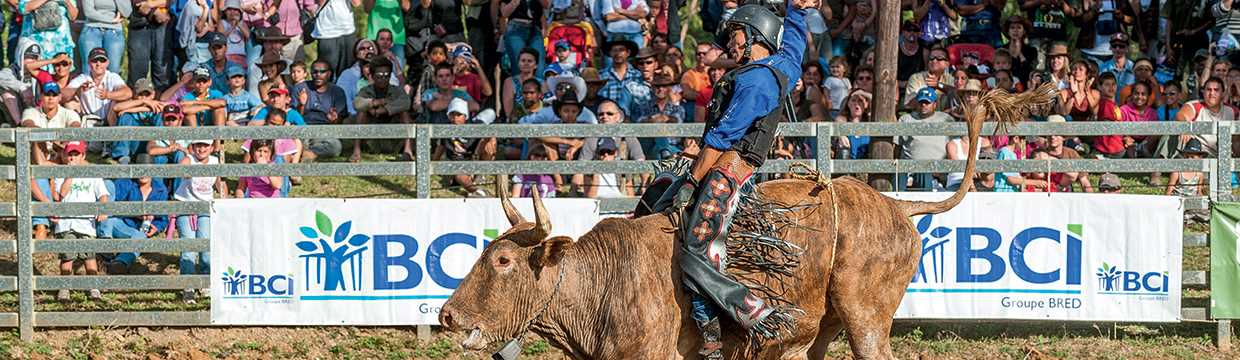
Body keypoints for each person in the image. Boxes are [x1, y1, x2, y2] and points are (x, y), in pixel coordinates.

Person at [644, 1, 815, 357]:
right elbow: (795, 43)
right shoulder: (781, 65)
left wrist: (691, 181)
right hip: (728, 165)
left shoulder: (755, 79)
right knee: (657, 197)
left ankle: (715, 337)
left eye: (736, 35)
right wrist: (796, 10)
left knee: (695, 249)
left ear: (755, 35)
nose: (730, 44)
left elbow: (720, 140)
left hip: (726, 174)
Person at [52, 141, 109, 301]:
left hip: (86, 224)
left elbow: (103, 195)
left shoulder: (92, 174)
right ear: (65, 155)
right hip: (66, 223)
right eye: (69, 154)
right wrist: (70, 174)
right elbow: (60, 195)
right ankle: (64, 288)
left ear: (83, 155)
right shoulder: (61, 173)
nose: (72, 158)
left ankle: (93, 287)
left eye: (76, 154)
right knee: (67, 258)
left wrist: (103, 209)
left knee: (89, 257)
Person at [173, 139, 226, 304]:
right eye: (198, 145)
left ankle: (205, 283)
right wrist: (186, 169)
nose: (201, 149)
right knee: (188, 247)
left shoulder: (215, 161)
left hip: (205, 207)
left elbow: (219, 182)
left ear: (211, 147)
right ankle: (188, 286)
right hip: (185, 206)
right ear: (193, 147)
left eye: (205, 145)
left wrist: (222, 192)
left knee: (206, 247)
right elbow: (182, 168)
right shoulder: (189, 159)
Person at [102, 153, 169, 274]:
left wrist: (157, 228)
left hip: (138, 230)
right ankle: (105, 246)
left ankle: (120, 263)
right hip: (120, 222)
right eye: (139, 169)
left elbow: (162, 219)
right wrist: (134, 213)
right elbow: (112, 205)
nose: (142, 173)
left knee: (140, 237)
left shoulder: (161, 189)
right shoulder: (126, 182)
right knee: (109, 219)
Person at [352, 57, 412, 162]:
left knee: (404, 113)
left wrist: (384, 110)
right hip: (372, 135)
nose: (383, 79)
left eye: (387, 76)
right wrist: (375, 103)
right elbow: (357, 104)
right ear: (372, 76)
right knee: (361, 112)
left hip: (393, 134)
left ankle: (408, 150)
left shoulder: (396, 90)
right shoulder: (366, 91)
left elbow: (406, 102)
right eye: (379, 76)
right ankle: (356, 150)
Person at [898, 87, 953, 191]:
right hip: (910, 170)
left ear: (935, 104)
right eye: (921, 102)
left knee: (925, 172)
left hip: (939, 170)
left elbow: (955, 145)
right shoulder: (906, 119)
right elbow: (896, 147)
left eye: (927, 102)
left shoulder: (946, 119)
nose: (923, 105)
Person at [293, 60, 347, 161]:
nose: (318, 75)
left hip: (325, 129)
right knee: (290, 143)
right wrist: (301, 105)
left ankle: (309, 153)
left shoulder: (337, 91)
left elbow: (339, 121)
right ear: (310, 73)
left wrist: (334, 120)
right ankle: (305, 151)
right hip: (303, 127)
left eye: (322, 72)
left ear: (329, 73)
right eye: (315, 72)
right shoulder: (300, 88)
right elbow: (295, 118)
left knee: (335, 147)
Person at [64, 47, 133, 125]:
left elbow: (128, 93)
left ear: (107, 63)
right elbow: (62, 96)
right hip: (87, 119)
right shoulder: (82, 78)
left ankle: (114, 134)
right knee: (70, 103)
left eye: (102, 60)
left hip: (109, 119)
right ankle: (77, 134)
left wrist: (108, 95)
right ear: (89, 62)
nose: (98, 64)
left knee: (119, 101)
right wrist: (77, 90)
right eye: (95, 60)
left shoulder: (113, 77)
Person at [107, 78, 162, 163]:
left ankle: (159, 151)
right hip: (133, 143)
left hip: (151, 144)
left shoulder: (156, 104)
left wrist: (142, 108)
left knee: (160, 115)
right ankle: (122, 155)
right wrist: (143, 102)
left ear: (153, 94)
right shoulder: (132, 103)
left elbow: (169, 106)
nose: (144, 97)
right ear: (135, 95)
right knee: (125, 116)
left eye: (147, 95)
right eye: (140, 94)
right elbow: (116, 107)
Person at [126, 0, 172, 89]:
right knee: (138, 70)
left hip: (163, 24)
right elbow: (139, 5)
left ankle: (161, 101)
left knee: (162, 70)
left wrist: (151, 5)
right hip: (139, 23)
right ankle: (138, 100)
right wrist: (154, 11)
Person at [78, 0, 130, 74]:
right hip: (92, 29)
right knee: (89, 68)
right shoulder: (112, 20)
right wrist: (111, 20)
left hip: (114, 31)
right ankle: (90, 85)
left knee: (113, 69)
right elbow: (89, 12)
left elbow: (127, 12)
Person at [312, 0, 360, 77]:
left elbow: (356, 3)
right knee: (325, 73)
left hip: (347, 30)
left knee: (347, 73)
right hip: (327, 32)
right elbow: (320, 2)